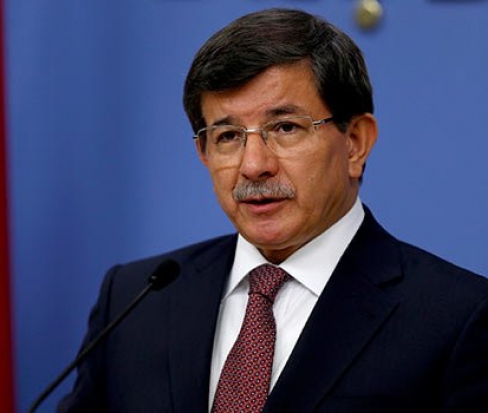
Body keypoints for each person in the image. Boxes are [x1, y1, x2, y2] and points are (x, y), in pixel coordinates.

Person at [58, 8, 488, 412]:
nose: (253, 165)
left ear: (355, 142)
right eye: (228, 136)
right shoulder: (136, 299)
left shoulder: (457, 318)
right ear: (203, 152)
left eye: (285, 127)